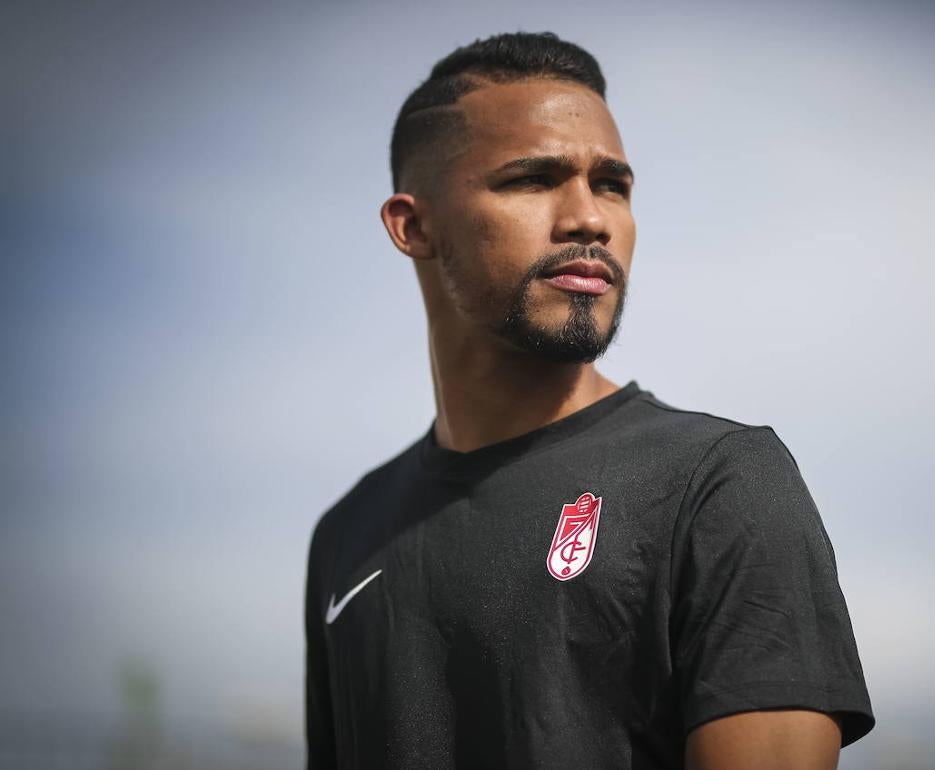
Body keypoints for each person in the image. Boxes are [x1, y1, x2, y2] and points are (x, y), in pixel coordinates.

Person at [304, 31, 874, 769]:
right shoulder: (349, 534)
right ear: (414, 227)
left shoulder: (721, 486)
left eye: (612, 185)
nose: (589, 219)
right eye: (532, 179)